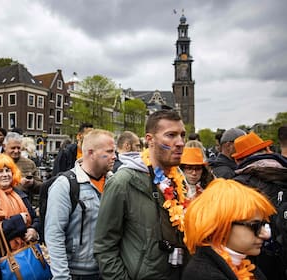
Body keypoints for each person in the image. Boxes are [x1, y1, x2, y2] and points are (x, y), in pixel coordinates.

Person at [94, 110, 187, 279]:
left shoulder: (180, 181)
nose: (180, 142)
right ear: (150, 140)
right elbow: (104, 246)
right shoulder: (123, 182)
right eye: (171, 135)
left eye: (182, 135)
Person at [45, 129, 115, 279]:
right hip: (77, 272)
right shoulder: (65, 185)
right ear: (90, 153)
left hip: (109, 271)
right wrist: (62, 276)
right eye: (109, 152)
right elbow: (54, 234)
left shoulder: (114, 183)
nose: (114, 156)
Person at [182, 179, 275, 280]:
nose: (265, 234)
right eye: (255, 226)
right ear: (222, 226)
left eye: (263, 224)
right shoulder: (203, 274)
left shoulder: (244, 263)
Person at [232, 131, 287, 279]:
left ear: (240, 160)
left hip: (256, 255)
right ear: (267, 150)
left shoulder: (239, 183)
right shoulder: (284, 171)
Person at [4, 132, 42, 207]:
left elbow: (40, 187)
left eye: (18, 148)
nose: (16, 151)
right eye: (13, 148)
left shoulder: (29, 164)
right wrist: (18, 183)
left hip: (24, 205)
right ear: (5, 146)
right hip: (3, 205)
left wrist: (32, 183)